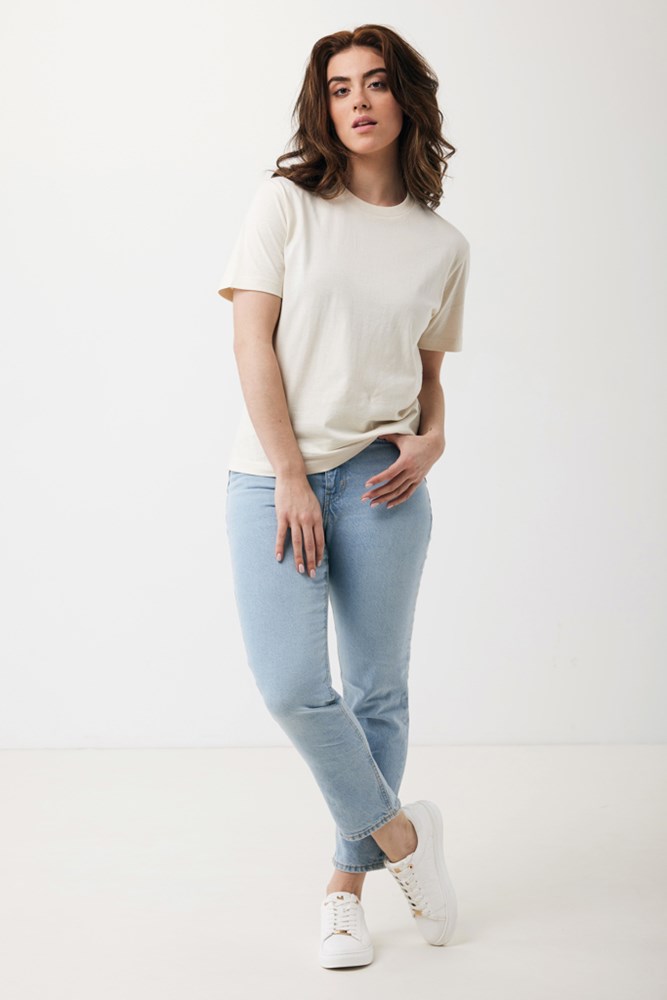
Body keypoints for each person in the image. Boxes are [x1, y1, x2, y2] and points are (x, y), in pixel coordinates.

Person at [217, 23, 470, 969]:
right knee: (291, 686)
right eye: (337, 87)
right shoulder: (285, 204)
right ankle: (402, 837)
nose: (356, 101)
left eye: (373, 83)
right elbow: (250, 342)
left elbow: (428, 376)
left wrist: (434, 437)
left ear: (405, 98)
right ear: (321, 105)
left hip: (381, 478)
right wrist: (289, 474)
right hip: (271, 474)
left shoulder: (441, 244)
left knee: (376, 690)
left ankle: (345, 891)